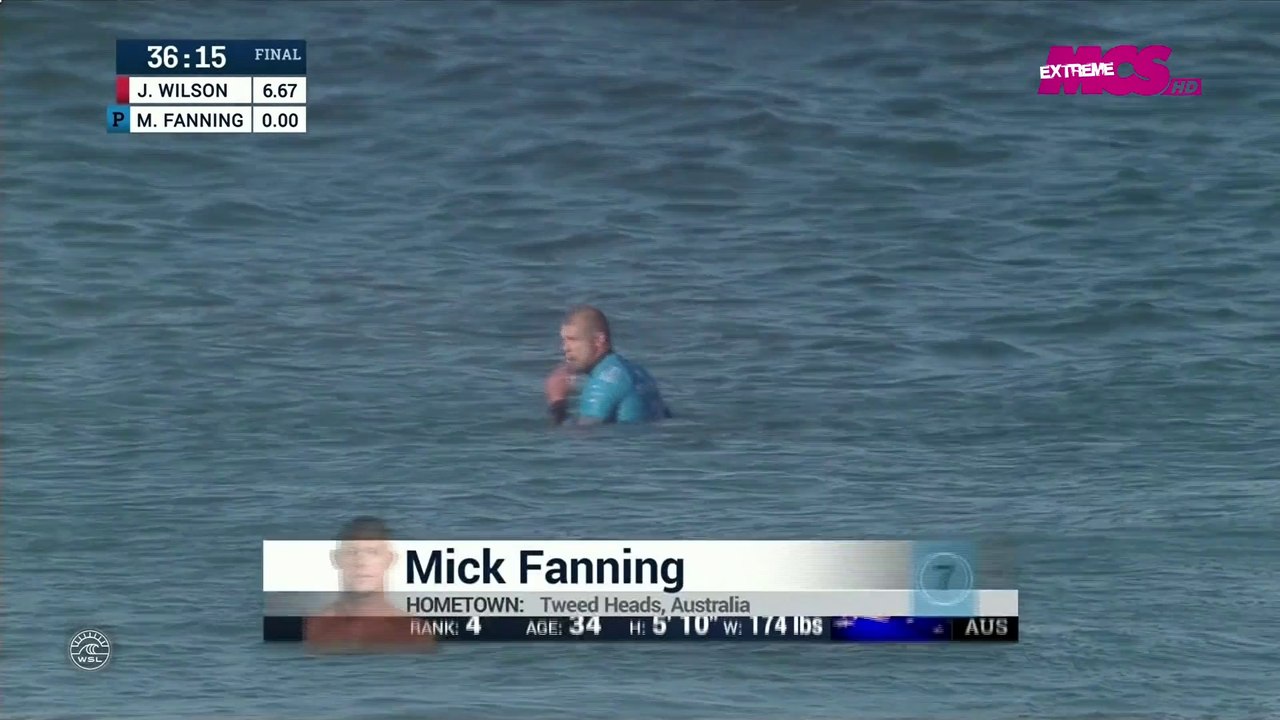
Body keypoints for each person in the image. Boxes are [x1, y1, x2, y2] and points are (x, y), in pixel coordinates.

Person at [303, 516, 435, 653]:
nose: (361, 562)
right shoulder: (309, 628)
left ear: (390, 560)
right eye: (352, 552)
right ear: (336, 559)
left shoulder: (415, 633)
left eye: (373, 552)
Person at [545, 305, 672, 425]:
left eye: (573, 340)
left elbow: (583, 438)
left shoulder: (604, 382)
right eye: (564, 340)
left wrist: (557, 401)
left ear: (599, 340)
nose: (565, 348)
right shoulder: (639, 372)